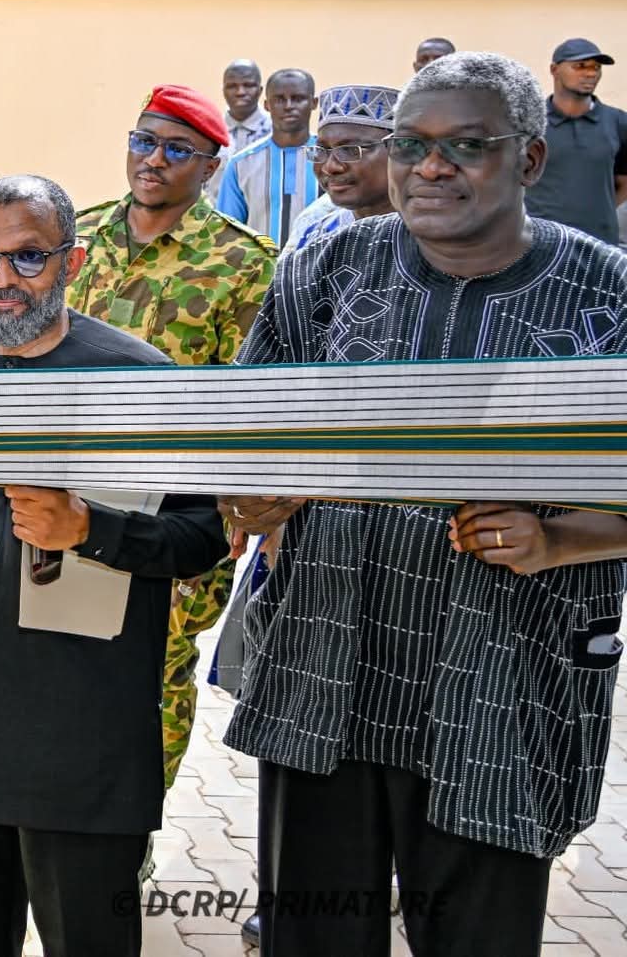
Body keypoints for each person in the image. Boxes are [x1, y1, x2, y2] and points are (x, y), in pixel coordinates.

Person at [221, 52, 627, 957]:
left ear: (528, 161)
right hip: (327, 664)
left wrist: (559, 541)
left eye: (466, 146)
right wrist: (254, 497)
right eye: (411, 144)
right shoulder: (331, 270)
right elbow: (246, 426)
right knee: (314, 933)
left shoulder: (607, 296)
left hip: (504, 681)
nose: (429, 167)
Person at [0, 175, 227, 957]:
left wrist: (89, 529)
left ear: (72, 259)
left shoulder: (139, 379)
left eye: (28, 258)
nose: (3, 281)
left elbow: (203, 539)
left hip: (82, 740)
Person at [66, 84, 273, 797]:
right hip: (68, 495)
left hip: (174, 512)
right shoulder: (74, 240)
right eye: (143, 141)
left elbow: (249, 404)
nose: (152, 160)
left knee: (156, 664)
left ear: (211, 168)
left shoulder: (244, 263)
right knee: (62, 659)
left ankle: (132, 829)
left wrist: (242, 505)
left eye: (176, 149)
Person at [523, 37, 627, 243]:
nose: (590, 73)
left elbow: (624, 181)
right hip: (539, 242)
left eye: (596, 67)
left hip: (599, 243)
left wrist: (597, 214)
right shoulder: (529, 122)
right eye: (579, 66)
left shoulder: (618, 122)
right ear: (554, 70)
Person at [278, 84, 399, 255]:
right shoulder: (314, 233)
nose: (330, 167)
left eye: (350, 149)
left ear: (397, 149)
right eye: (321, 150)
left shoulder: (434, 234)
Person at [218, 68, 320, 246]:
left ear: (314, 103)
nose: (288, 106)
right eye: (279, 99)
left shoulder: (331, 159)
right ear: (267, 105)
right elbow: (226, 233)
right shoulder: (241, 164)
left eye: (298, 98)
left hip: (321, 269)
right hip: (260, 271)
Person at [208, 61, 270, 202]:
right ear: (223, 90)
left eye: (248, 85)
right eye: (232, 86)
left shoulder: (277, 132)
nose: (240, 92)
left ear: (260, 90)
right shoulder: (209, 131)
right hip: (216, 219)